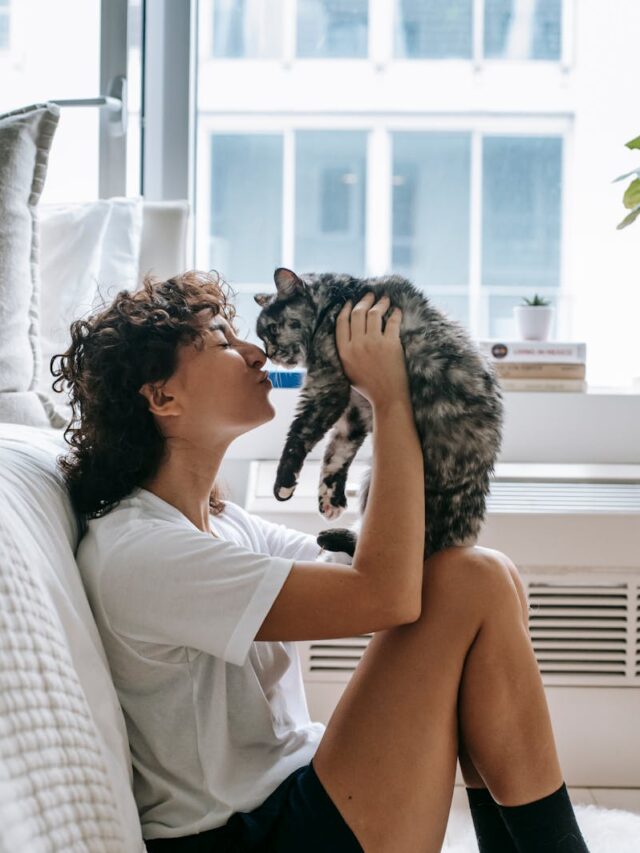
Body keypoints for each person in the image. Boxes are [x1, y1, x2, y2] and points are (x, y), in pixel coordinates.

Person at [54, 270, 590, 853]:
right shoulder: (143, 552)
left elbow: (396, 573)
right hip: (248, 836)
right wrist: (390, 398)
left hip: (296, 796)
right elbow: (386, 596)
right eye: (222, 342)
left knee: (487, 575)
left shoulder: (222, 524)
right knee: (474, 578)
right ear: (162, 397)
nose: (255, 351)